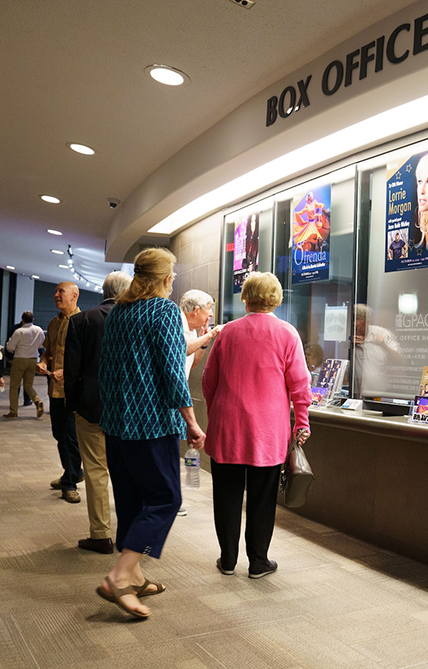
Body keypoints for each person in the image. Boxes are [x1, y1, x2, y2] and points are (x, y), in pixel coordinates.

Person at [95, 247, 205, 619]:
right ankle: (120, 576)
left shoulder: (119, 313)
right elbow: (174, 373)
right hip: (151, 424)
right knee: (164, 500)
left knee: (131, 502)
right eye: (172, 274)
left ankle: (136, 575)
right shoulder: (164, 311)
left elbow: (108, 368)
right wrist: (191, 421)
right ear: (164, 278)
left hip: (116, 424)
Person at [202, 272, 311, 579]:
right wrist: (301, 423)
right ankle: (258, 562)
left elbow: (209, 381)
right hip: (268, 429)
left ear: (245, 297)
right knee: (262, 497)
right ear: (276, 298)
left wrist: (216, 416)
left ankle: (227, 559)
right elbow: (300, 386)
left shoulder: (227, 333)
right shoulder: (287, 334)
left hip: (227, 425)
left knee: (226, 494)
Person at [64, 270, 132, 553]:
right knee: (128, 473)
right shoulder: (136, 319)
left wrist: (73, 405)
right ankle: (130, 535)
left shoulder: (81, 320)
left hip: (92, 407)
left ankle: (101, 535)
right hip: (130, 410)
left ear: (104, 290)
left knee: (95, 471)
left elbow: (72, 369)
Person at [177, 289, 222, 517]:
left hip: (178, 395)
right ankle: (166, 500)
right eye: (209, 309)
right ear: (196, 310)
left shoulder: (193, 331)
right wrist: (210, 335)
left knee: (172, 449)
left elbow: (191, 363)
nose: (211, 314)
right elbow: (179, 351)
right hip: (169, 399)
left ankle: (170, 499)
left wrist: (202, 342)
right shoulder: (175, 322)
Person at [38, 282, 83, 504]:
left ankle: (70, 483)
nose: (56, 295)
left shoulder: (84, 322)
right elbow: (49, 350)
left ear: (74, 295)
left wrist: (65, 371)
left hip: (74, 390)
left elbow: (89, 359)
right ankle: (72, 472)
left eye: (61, 292)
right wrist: (43, 362)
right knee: (59, 435)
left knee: (70, 437)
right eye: (55, 291)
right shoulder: (54, 323)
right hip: (54, 390)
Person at [3, 311, 44, 419]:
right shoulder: (39, 330)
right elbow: (41, 345)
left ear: (22, 320)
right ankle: (37, 401)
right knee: (28, 385)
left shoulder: (19, 331)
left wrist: (8, 345)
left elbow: (10, 348)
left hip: (20, 359)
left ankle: (13, 412)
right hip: (33, 360)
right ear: (33, 319)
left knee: (14, 386)